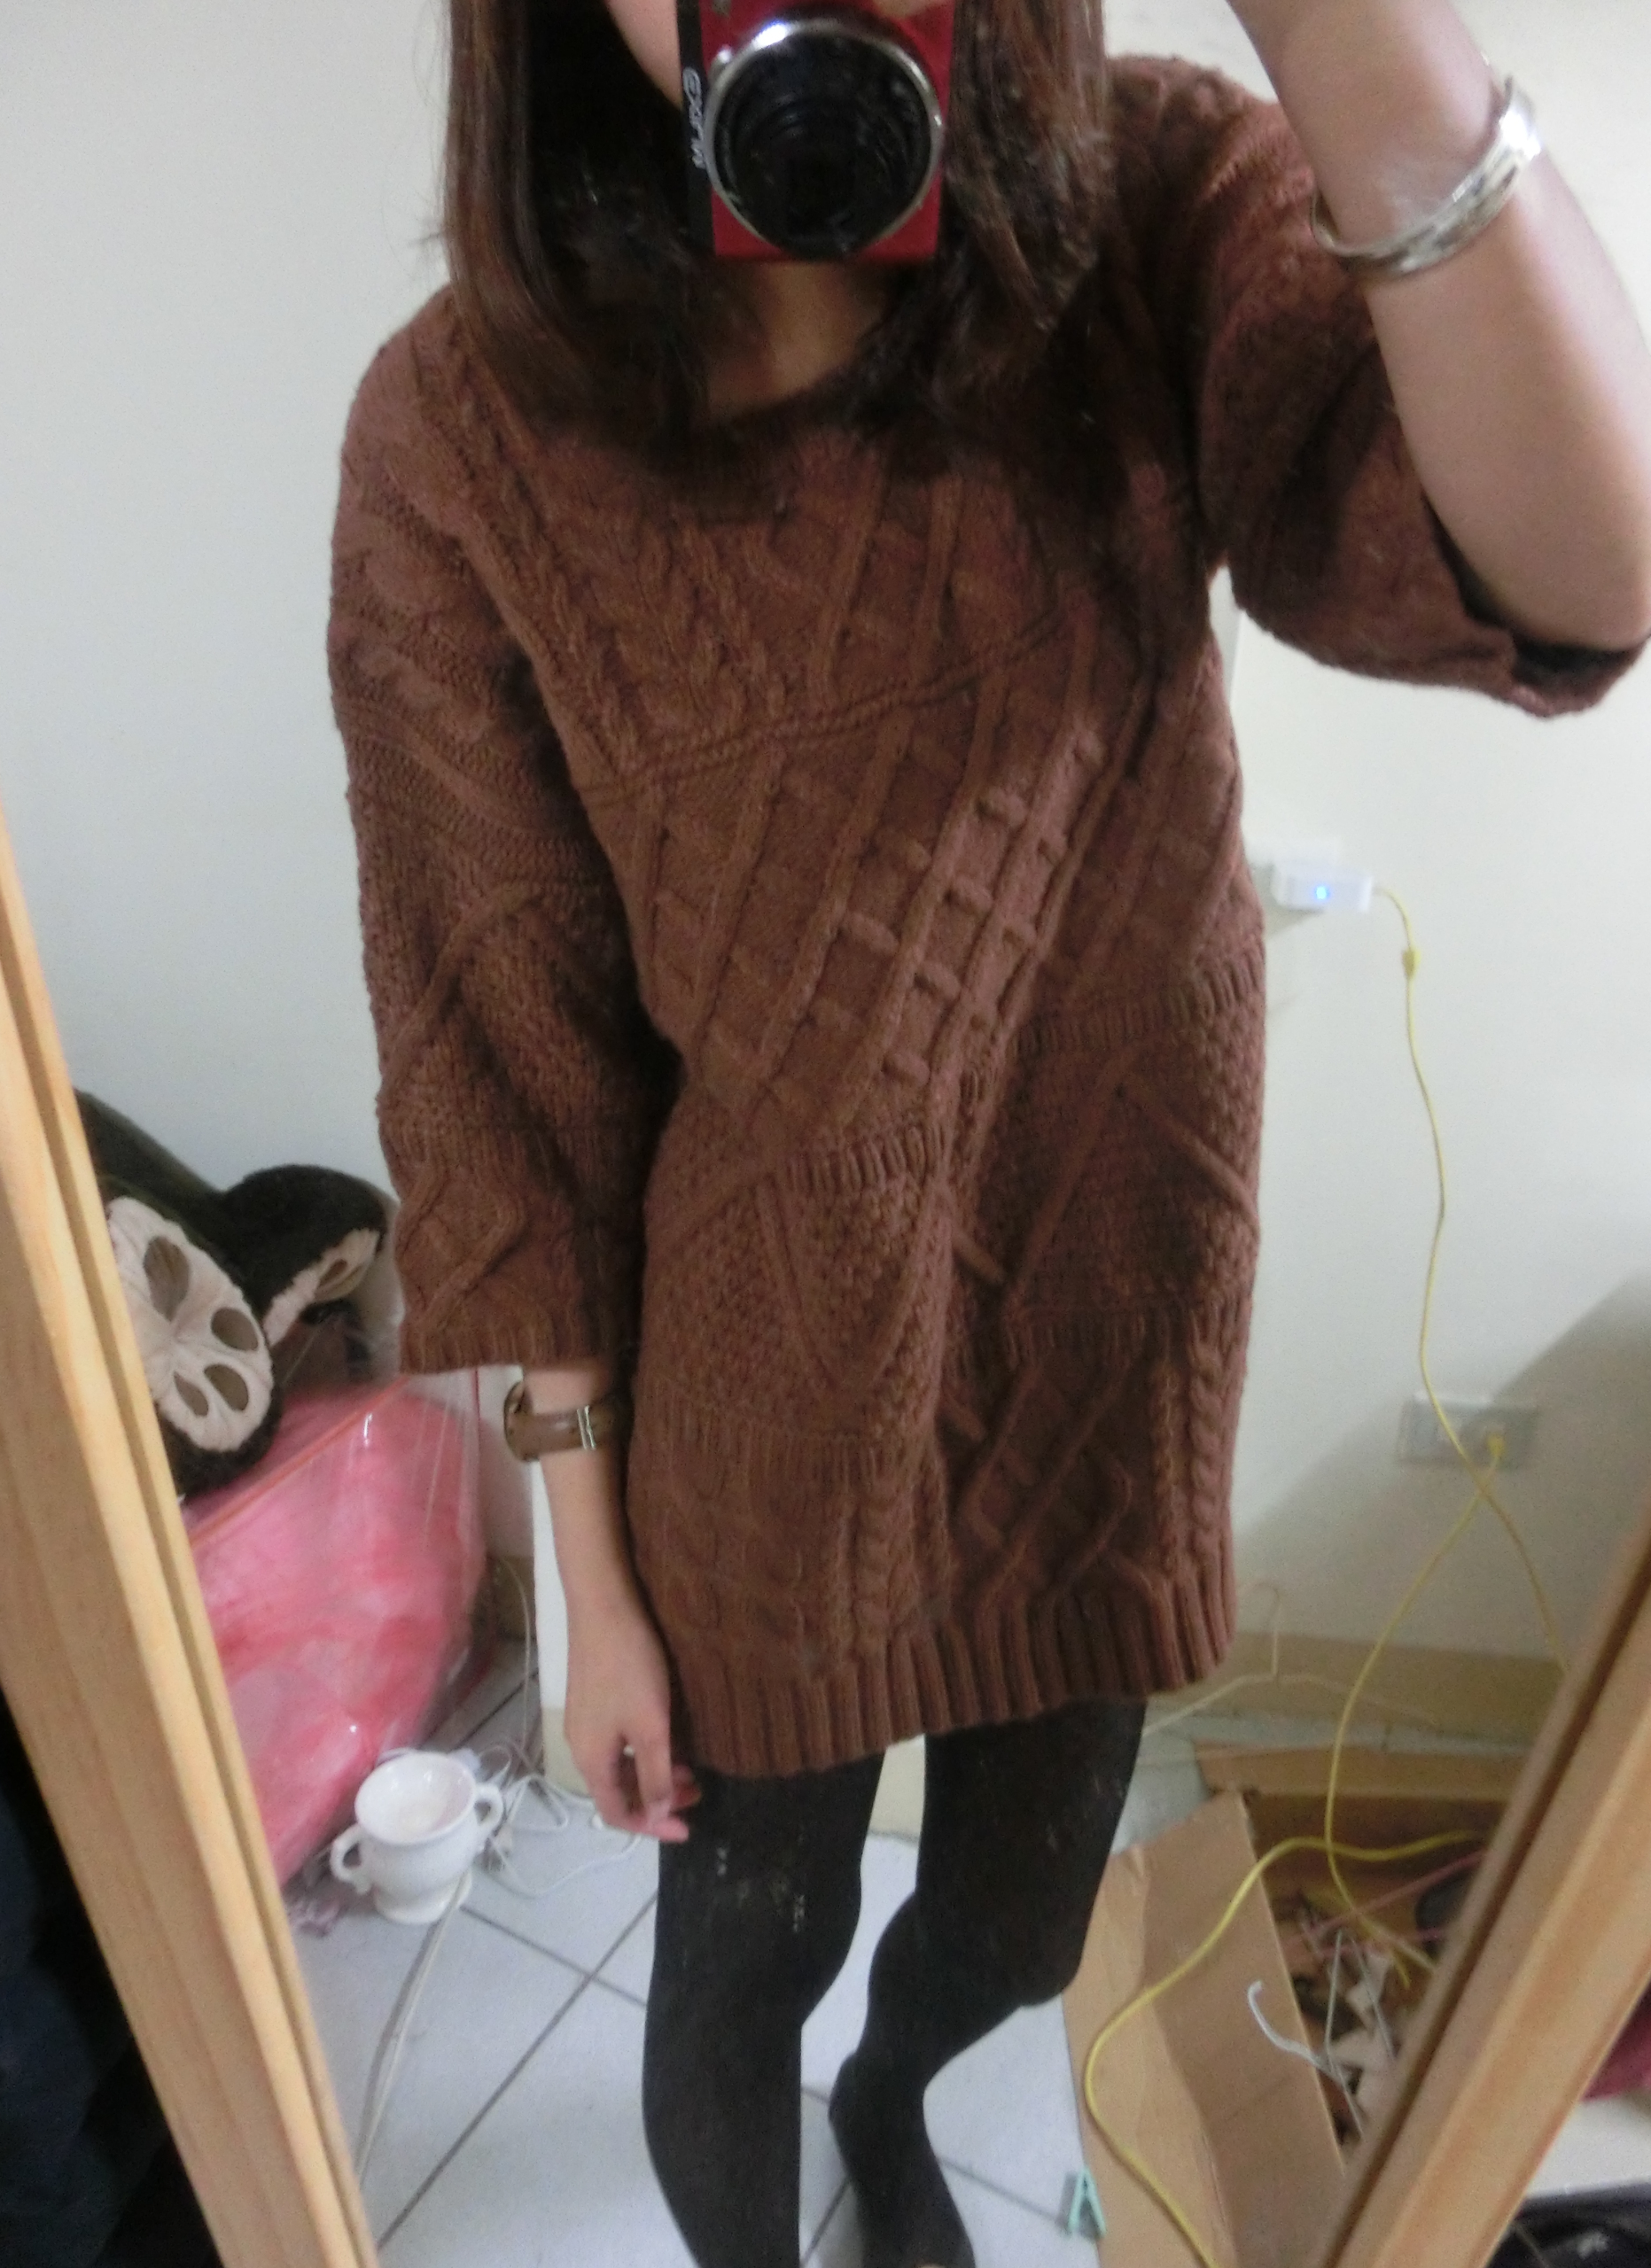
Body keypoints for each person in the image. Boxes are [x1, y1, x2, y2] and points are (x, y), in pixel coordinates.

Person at [328, 4, 1651, 2263]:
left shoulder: (1146, 215)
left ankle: (894, 2096)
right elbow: (505, 1064)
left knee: (1022, 1931)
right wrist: (591, 1581)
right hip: (758, 1424)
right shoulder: (460, 435)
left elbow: (1580, 567)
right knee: (735, 1964)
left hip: (1102, 1355)